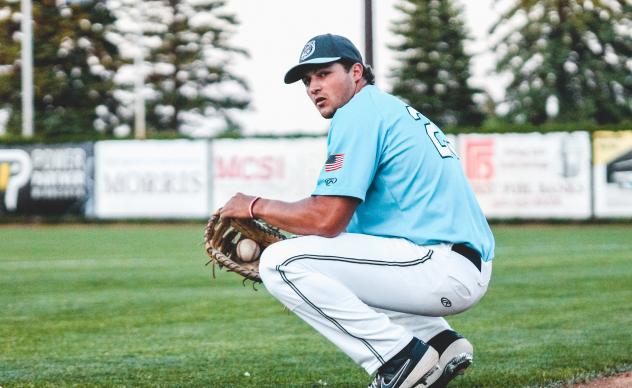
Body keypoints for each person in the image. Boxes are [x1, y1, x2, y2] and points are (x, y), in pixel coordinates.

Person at [218, 33, 495, 388]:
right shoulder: (383, 108)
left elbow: (326, 219)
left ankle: (400, 359)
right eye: (307, 80)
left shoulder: (358, 113)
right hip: (456, 263)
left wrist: (255, 206)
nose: (313, 87)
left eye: (323, 73)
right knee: (325, 266)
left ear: (356, 72)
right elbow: (338, 226)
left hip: (438, 265)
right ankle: (439, 343)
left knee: (280, 263)